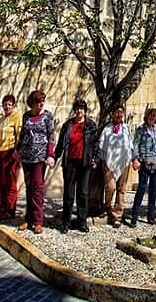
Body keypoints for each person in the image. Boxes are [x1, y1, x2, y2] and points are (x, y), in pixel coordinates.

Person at [53, 98, 98, 233]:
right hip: (70, 162)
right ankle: (65, 222)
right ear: (74, 110)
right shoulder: (68, 125)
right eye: (77, 108)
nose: (79, 111)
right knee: (69, 194)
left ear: (85, 111)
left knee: (83, 194)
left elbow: (95, 144)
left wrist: (95, 158)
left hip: (84, 163)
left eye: (82, 109)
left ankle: (82, 221)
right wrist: (55, 157)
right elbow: (61, 142)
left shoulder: (91, 125)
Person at [17, 90, 56, 233]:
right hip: (26, 157)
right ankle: (28, 219)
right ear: (32, 103)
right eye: (38, 101)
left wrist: (50, 155)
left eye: (42, 101)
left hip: (40, 157)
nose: (41, 104)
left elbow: (51, 136)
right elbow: (23, 134)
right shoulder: (26, 116)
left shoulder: (47, 116)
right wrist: (17, 150)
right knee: (29, 189)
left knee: (37, 189)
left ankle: (38, 221)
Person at [98, 105, 133, 227]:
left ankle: (117, 215)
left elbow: (130, 145)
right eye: (116, 112)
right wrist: (103, 161)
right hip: (109, 163)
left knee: (121, 190)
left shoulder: (126, 128)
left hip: (124, 163)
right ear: (112, 114)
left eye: (121, 113)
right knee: (111, 187)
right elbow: (102, 145)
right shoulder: (107, 129)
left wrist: (131, 159)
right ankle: (107, 206)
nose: (119, 115)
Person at [128, 107, 156, 225]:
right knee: (142, 189)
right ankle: (134, 216)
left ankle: (151, 216)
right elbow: (136, 144)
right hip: (144, 161)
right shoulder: (141, 130)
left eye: (154, 116)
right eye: (150, 115)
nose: (152, 117)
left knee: (153, 190)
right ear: (146, 116)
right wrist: (135, 159)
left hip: (155, 161)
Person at [0, 94, 22, 220]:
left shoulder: (17, 116)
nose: (7, 106)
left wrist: (17, 151)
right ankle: (2, 208)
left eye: (9, 104)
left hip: (10, 152)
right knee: (0, 182)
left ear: (13, 105)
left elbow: (19, 135)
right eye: (5, 104)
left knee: (10, 183)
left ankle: (10, 210)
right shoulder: (3, 118)